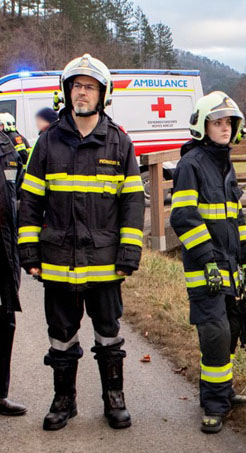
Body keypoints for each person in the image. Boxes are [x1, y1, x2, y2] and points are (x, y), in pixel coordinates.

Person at [17, 54, 144, 431]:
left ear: (103, 94)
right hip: (57, 259)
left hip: (105, 261)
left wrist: (129, 252)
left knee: (109, 333)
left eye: (89, 86)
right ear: (66, 92)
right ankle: (64, 401)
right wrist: (29, 251)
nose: (81, 92)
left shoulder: (119, 143)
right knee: (60, 335)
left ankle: (114, 399)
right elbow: (30, 202)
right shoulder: (47, 142)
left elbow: (133, 203)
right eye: (76, 85)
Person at [169, 91, 246, 434]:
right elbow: (183, 217)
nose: (224, 128)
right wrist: (206, 260)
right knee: (215, 334)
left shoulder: (224, 163)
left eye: (229, 123)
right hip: (205, 270)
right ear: (203, 126)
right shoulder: (191, 165)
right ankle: (213, 404)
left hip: (230, 267)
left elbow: (235, 216)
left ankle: (223, 390)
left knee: (231, 329)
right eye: (217, 122)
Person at [0, 118, 26, 416]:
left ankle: (0, 394)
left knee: (5, 323)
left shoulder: (7, 145)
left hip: (5, 252)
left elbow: (18, 193)